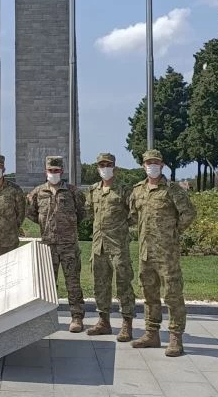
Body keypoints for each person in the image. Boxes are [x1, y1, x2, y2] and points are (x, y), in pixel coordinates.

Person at [130, 149, 197, 357]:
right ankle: (152, 333)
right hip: (146, 253)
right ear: (143, 165)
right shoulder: (138, 190)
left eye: (156, 162)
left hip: (167, 253)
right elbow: (133, 215)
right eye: (149, 162)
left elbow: (189, 213)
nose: (152, 165)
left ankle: (176, 337)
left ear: (163, 164)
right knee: (149, 295)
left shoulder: (172, 189)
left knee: (172, 295)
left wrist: (173, 232)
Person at [27, 156, 86, 333]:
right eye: (51, 170)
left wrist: (66, 225)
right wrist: (47, 226)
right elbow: (31, 214)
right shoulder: (37, 193)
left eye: (57, 171)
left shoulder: (72, 192)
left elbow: (82, 213)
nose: (54, 173)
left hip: (68, 246)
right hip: (49, 246)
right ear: (46, 171)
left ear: (62, 171)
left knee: (73, 282)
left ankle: (76, 317)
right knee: (49, 284)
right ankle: (47, 317)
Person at [85, 153, 136, 341]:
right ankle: (103, 321)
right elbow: (90, 212)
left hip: (118, 246)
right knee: (100, 284)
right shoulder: (93, 190)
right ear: (97, 167)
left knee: (123, 284)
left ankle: (126, 324)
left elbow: (133, 214)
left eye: (108, 164)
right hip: (98, 245)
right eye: (101, 165)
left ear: (114, 166)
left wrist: (119, 228)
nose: (104, 168)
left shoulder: (123, 189)